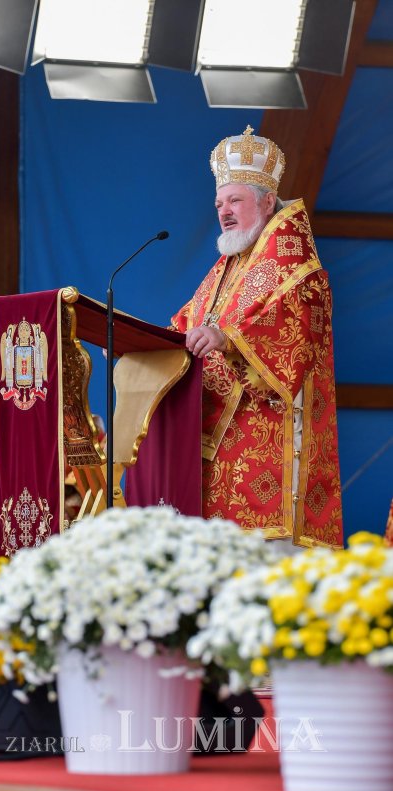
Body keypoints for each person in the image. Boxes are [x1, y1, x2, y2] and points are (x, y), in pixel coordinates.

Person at [171, 126, 343, 549]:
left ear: (268, 203)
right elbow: (185, 325)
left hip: (271, 456)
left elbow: (293, 341)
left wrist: (226, 340)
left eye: (235, 201)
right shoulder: (229, 266)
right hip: (217, 452)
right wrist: (140, 349)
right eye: (218, 203)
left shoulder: (298, 269)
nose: (224, 211)